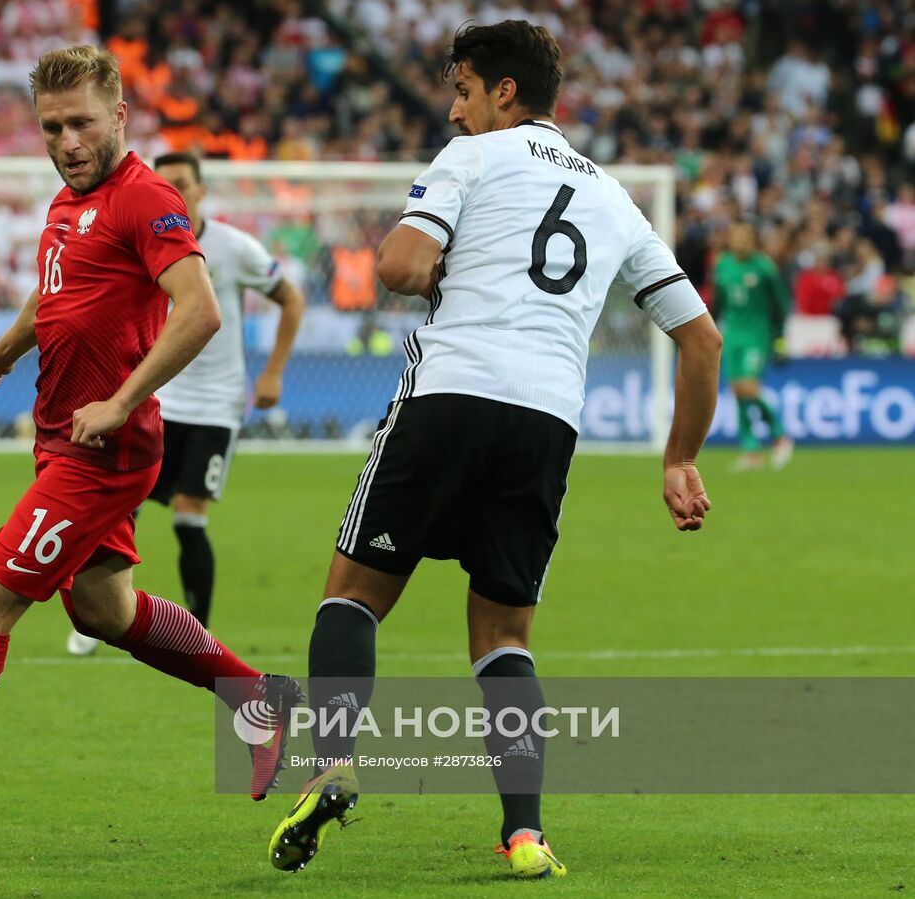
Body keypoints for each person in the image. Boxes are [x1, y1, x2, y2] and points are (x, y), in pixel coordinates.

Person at [0, 46, 301, 841]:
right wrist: (5, 349)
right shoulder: (68, 204)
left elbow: (200, 309)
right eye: (52, 126)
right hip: (61, 436)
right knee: (106, 610)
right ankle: (256, 699)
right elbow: (60, 289)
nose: (67, 141)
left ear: (120, 119)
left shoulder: (147, 197)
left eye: (82, 124)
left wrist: (121, 398)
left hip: (102, 451)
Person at [265, 21, 722, 878]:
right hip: (546, 422)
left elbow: (400, 266)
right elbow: (702, 343)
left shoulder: (472, 158)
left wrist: (454, 266)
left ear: (503, 93)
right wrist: (679, 457)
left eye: (463, 91)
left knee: (353, 596)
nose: (453, 108)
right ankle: (524, 833)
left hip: (449, 397)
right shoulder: (618, 199)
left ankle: (331, 762)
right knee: (504, 638)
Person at [65, 151, 307, 655]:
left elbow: (291, 298)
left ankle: (194, 633)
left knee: (189, 517)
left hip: (216, 406)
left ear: (200, 190)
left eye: (183, 183)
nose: (174, 190)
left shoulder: (235, 248)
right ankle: (103, 614)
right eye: (165, 182)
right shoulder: (141, 236)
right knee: (120, 505)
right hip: (157, 397)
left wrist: (274, 371)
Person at [711, 221, 795, 470]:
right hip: (732, 335)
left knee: (748, 386)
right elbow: (718, 303)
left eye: (745, 237)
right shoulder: (722, 265)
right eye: (736, 237)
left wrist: (780, 339)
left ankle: (780, 436)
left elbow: (781, 305)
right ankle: (751, 450)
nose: (740, 242)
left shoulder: (764, 268)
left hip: (757, 334)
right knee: (737, 390)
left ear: (752, 240)